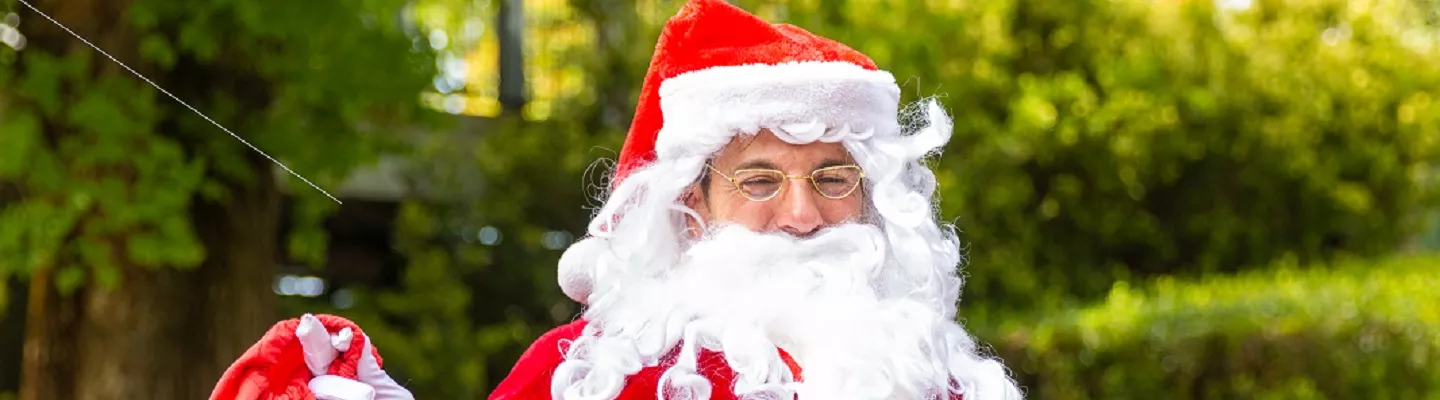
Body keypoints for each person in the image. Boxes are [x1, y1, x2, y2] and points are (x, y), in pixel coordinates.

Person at [211, 0, 1023, 399]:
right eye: (761, 179)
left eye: (832, 177)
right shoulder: (589, 374)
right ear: (692, 206)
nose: (803, 214)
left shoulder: (939, 374)